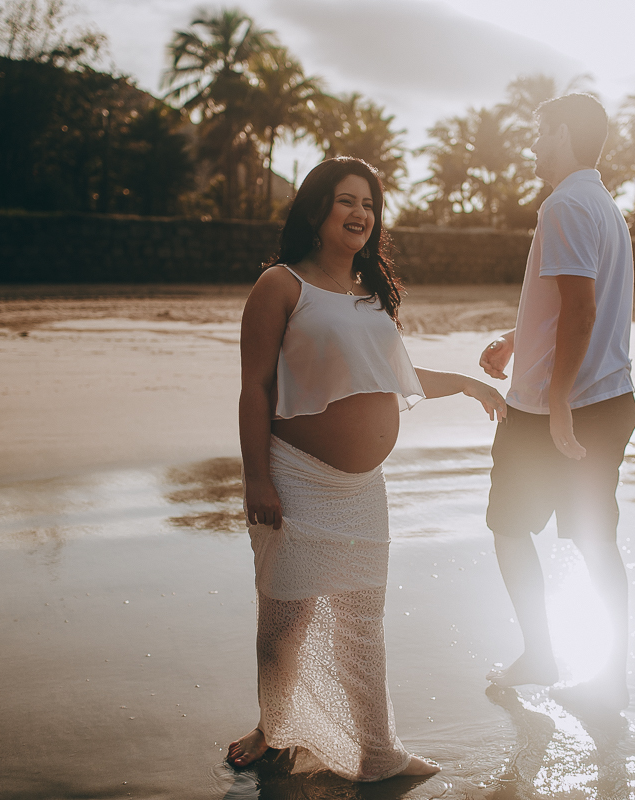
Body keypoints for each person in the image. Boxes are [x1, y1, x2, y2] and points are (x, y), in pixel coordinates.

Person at [229, 157, 507, 780]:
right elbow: (253, 390)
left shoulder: (372, 293)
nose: (360, 214)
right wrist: (256, 478)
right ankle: (276, 731)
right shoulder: (281, 286)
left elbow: (396, 376)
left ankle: (377, 752)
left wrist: (468, 384)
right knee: (285, 621)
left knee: (362, 625)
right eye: (345, 201)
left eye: (369, 204)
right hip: (296, 475)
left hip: (362, 492)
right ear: (316, 209)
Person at [478, 94, 635, 716]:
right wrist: (517, 339)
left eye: (542, 132)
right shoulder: (600, 203)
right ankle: (607, 674)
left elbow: (582, 311)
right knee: (594, 541)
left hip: (560, 411)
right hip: (606, 398)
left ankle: (548, 652)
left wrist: (560, 403)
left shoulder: (566, 203)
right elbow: (571, 303)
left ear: (566, 133)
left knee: (512, 529)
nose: (534, 144)